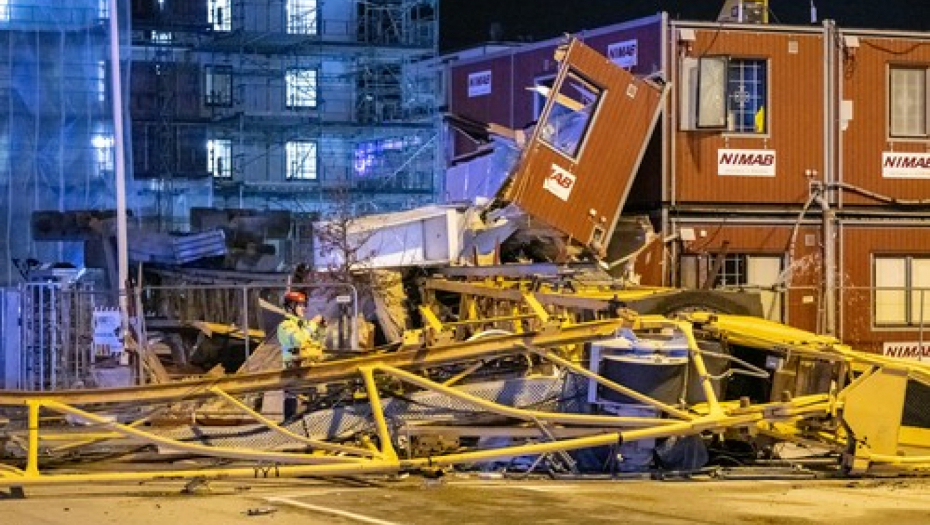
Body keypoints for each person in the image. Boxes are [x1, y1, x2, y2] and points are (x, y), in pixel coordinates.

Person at [276, 290, 326, 420]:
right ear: (290, 307)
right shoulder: (285, 326)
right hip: (292, 368)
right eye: (300, 305)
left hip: (309, 367)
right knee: (292, 399)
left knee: (315, 400)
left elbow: (316, 342)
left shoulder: (303, 324)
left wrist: (320, 328)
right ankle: (289, 425)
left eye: (304, 305)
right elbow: (298, 340)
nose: (304, 308)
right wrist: (313, 324)